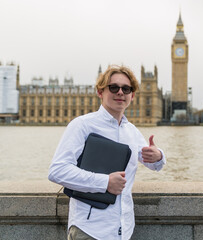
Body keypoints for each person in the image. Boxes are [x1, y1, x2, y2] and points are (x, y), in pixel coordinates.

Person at [48, 65, 166, 240]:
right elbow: (57, 171)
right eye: (113, 87)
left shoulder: (131, 131)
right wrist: (105, 182)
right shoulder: (82, 125)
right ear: (100, 92)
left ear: (132, 96)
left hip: (123, 230)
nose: (120, 92)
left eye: (126, 89)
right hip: (90, 230)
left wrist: (158, 156)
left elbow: (154, 165)